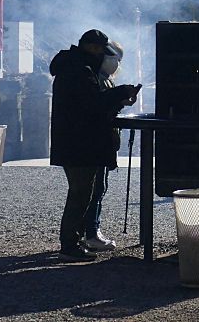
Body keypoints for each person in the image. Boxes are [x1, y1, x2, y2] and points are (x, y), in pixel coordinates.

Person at [50, 29, 141, 263]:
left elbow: (94, 104)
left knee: (84, 193)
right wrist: (120, 93)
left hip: (78, 141)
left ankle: (75, 241)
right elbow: (92, 103)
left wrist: (117, 100)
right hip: (79, 141)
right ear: (93, 48)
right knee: (80, 194)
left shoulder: (76, 67)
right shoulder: (78, 71)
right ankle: (69, 245)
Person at [79, 40, 126, 253]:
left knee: (95, 188)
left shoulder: (103, 79)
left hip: (99, 141)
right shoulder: (94, 79)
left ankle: (83, 232)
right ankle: (90, 231)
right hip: (95, 141)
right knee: (94, 189)